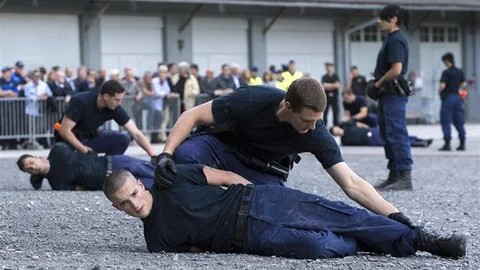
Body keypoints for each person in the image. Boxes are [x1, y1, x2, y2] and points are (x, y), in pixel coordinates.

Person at [154, 78, 425, 230]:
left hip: (261, 171)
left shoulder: (316, 132)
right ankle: (190, 219)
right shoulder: (251, 100)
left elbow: (351, 183)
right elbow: (192, 115)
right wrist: (165, 154)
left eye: (317, 121)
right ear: (287, 106)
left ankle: (218, 217)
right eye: (307, 121)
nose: (312, 127)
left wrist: (395, 215)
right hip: (222, 150)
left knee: (277, 211)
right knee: (185, 154)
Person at [104, 164, 467, 259]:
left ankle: (422, 239)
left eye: (133, 193)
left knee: (341, 214)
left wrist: (257, 193)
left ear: (140, 182)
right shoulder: (155, 241)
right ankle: (374, 242)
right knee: (319, 247)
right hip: (250, 237)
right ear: (117, 208)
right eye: (124, 204)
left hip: (258, 201)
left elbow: (227, 177)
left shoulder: (171, 180)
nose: (134, 204)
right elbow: (198, 250)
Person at [366, 5, 413, 191]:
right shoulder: (390, 40)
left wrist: (377, 84)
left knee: (396, 132)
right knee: (387, 134)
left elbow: (396, 70)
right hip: (387, 95)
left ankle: (405, 176)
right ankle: (394, 175)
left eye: (381, 18)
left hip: (393, 94)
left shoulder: (396, 40)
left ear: (393, 19)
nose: (378, 21)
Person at [56, 80, 157, 160]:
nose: (119, 103)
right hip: (67, 143)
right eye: (117, 100)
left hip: (88, 138)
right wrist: (83, 150)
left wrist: (154, 156)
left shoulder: (115, 108)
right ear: (106, 96)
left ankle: (105, 168)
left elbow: (136, 133)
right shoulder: (81, 101)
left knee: (122, 140)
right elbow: (64, 131)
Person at [17, 142, 154, 191]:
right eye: (29, 170)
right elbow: (80, 188)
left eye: (31, 163)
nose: (32, 167)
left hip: (110, 162)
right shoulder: (56, 183)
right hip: (109, 180)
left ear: (36, 157)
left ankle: (175, 171)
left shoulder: (57, 150)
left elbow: (78, 144)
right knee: (150, 184)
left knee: (150, 169)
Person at [438, 53, 467, 151]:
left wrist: (440, 91)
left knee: (446, 121)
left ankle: (447, 144)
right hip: (457, 98)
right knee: (459, 122)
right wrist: (462, 97)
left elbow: (442, 86)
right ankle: (462, 144)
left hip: (448, 98)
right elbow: (463, 85)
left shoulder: (446, 72)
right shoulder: (459, 71)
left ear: (446, 61)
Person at [329, 123, 433, 148]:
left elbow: (359, 124)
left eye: (336, 129)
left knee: (394, 134)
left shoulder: (347, 125)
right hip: (370, 140)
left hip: (372, 131)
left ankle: (418, 139)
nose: (337, 131)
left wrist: (369, 128)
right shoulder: (344, 140)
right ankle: (418, 143)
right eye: (335, 132)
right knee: (392, 141)